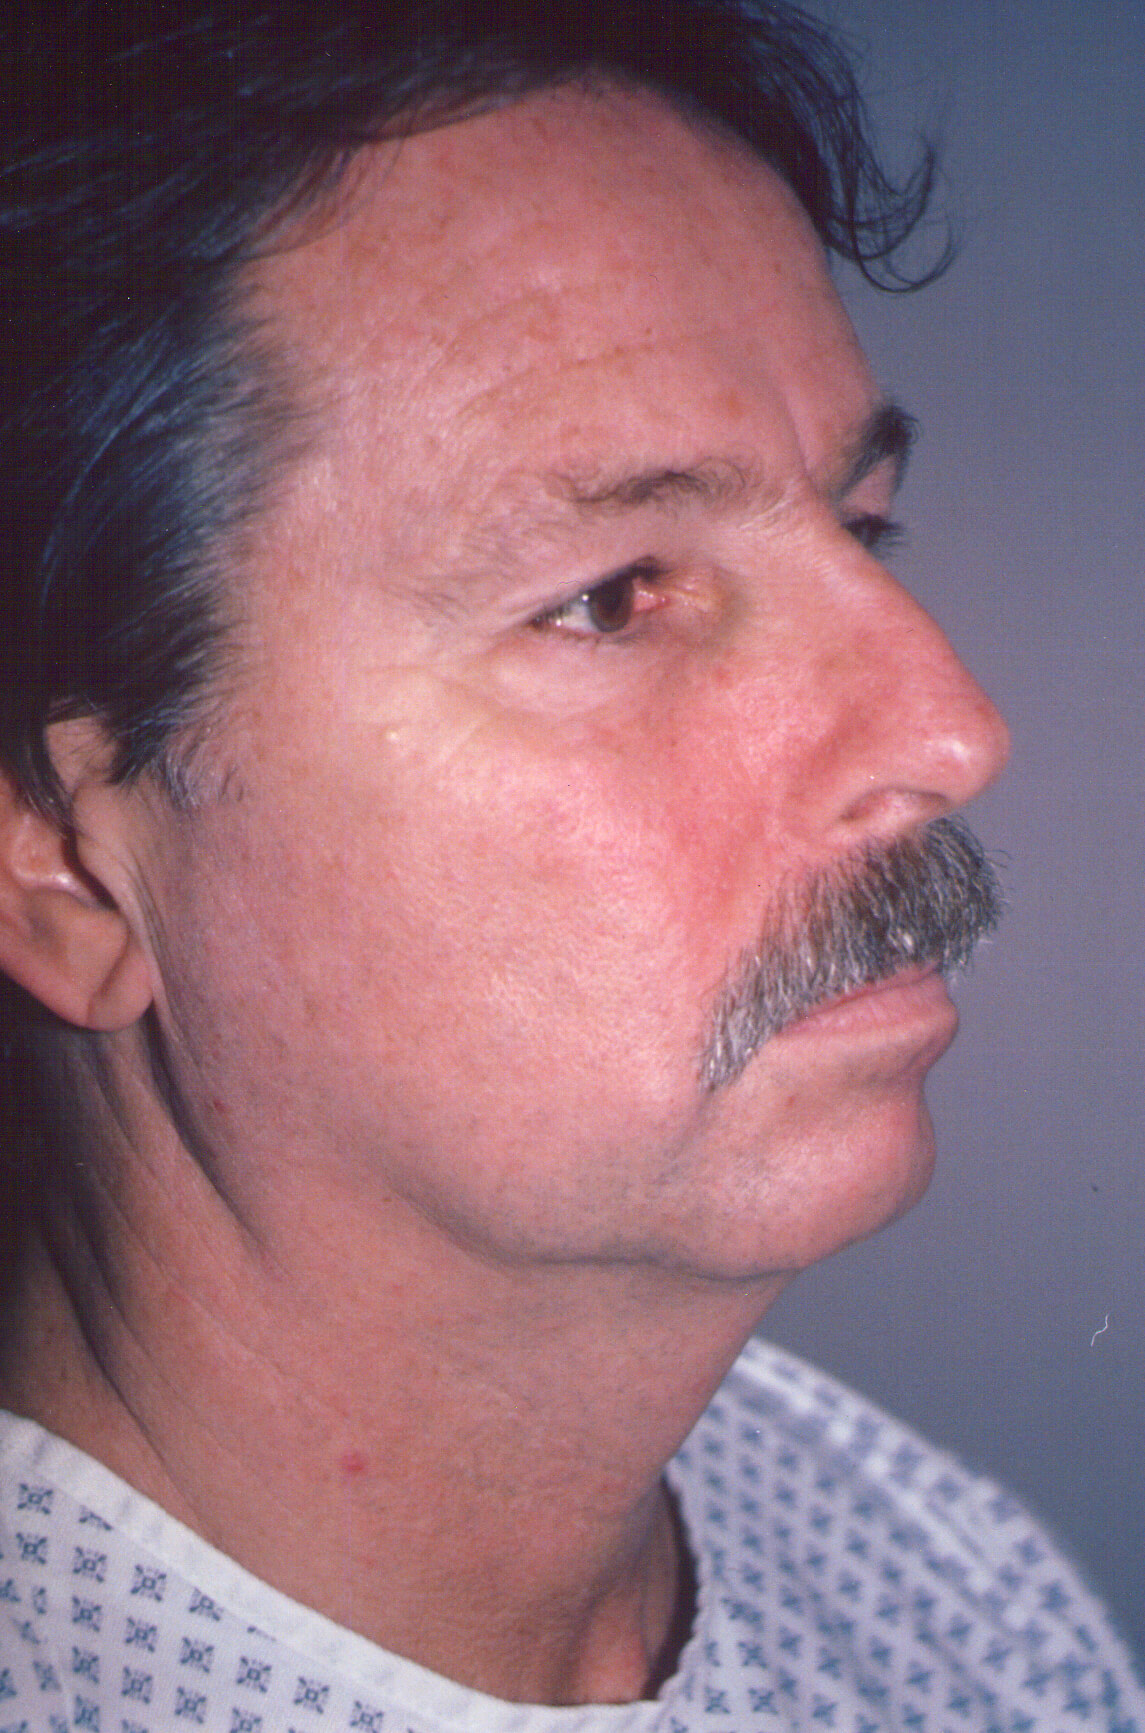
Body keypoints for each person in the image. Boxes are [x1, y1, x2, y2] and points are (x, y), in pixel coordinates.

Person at [0, 0, 1140, 1727]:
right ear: (64, 867)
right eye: (611, 599)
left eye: (861, 524)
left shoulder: (949, 1593)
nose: (949, 727)